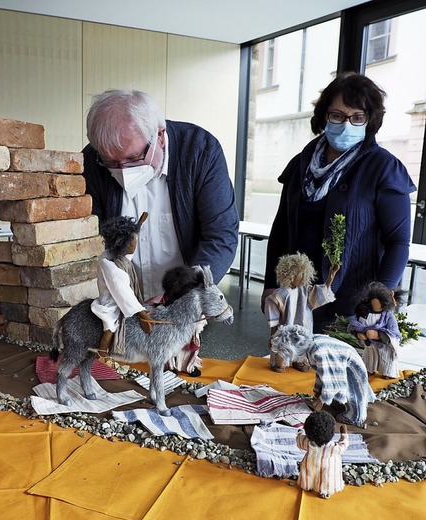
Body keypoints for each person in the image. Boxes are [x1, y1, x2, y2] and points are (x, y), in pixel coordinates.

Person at [261, 73, 416, 332]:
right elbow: (280, 229)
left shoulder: (383, 168)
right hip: (295, 300)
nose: (347, 124)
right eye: (337, 115)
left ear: (370, 121)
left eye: (357, 117)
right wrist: (269, 283)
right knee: (288, 361)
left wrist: (378, 299)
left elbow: (397, 241)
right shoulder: (302, 164)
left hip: (352, 307)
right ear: (324, 116)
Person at [82, 89, 239, 300]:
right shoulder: (92, 160)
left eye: (134, 157)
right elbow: (89, 238)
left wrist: (181, 296)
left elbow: (220, 237)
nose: (123, 170)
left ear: (160, 136)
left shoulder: (201, 151)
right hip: (120, 299)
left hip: (184, 298)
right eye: (111, 163)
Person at [270, 324, 376, 428]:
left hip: (351, 368)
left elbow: (332, 378)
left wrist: (322, 399)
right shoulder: (312, 343)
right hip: (342, 363)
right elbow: (323, 373)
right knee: (333, 389)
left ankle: (356, 417)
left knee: (354, 391)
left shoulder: (319, 351)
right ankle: (337, 401)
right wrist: (320, 394)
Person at [91, 213, 153, 360]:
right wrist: (141, 313)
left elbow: (128, 254)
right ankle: (103, 353)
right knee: (111, 323)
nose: (135, 244)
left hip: (119, 294)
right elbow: (124, 293)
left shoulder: (117, 256)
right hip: (111, 299)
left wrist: (138, 225)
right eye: (132, 243)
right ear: (122, 244)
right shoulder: (109, 265)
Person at [264, 252, 339, 372]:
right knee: (283, 347)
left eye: (304, 273)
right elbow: (273, 312)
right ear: (290, 274)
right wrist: (273, 334)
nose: (303, 276)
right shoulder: (280, 294)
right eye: (300, 273)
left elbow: (322, 291)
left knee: (302, 344)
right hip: (286, 329)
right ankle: (279, 362)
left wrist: (331, 276)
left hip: (303, 327)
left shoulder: (306, 291)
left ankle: (300, 360)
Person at [347, 281, 402, 379]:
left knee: (386, 359)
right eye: (373, 304)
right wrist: (358, 334)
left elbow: (394, 333)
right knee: (369, 359)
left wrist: (378, 335)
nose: (376, 306)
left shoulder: (388, 317)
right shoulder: (364, 313)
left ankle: (388, 373)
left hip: (384, 345)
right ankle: (369, 370)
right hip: (370, 345)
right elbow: (355, 325)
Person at [296, 411, 348, 499]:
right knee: (326, 478)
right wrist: (344, 434)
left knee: (308, 474)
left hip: (310, 463)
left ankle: (308, 486)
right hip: (328, 466)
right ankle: (325, 492)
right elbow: (343, 445)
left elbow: (299, 440)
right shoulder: (332, 448)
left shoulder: (307, 442)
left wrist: (300, 431)